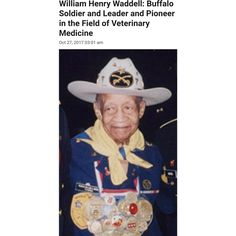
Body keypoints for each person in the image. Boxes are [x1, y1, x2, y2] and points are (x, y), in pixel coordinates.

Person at [67, 57, 172, 236]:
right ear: (98, 110)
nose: (120, 117)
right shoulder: (73, 151)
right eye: (110, 108)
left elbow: (167, 207)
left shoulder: (153, 155)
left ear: (141, 109)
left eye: (128, 108)